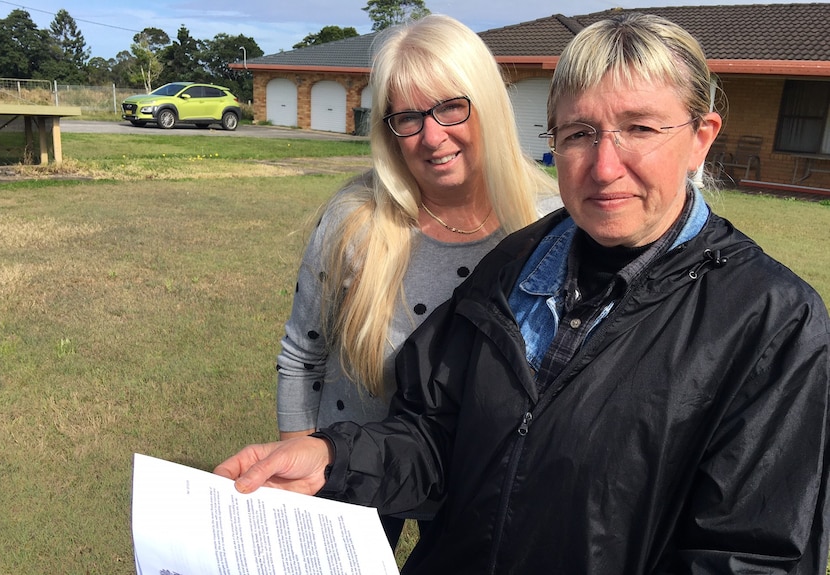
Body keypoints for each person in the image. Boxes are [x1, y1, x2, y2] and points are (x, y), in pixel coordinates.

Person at [217, 13, 830, 574]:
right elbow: (436, 438)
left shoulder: (772, 322)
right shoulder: (515, 262)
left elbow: (753, 555)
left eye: (639, 127)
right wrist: (331, 459)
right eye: (580, 133)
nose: (605, 165)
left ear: (701, 136)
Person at [271, 14, 559, 549]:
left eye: (451, 106)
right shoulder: (354, 218)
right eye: (406, 117)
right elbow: (302, 354)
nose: (432, 137)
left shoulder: (550, 226)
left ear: (489, 104)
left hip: (476, 479)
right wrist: (299, 465)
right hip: (348, 463)